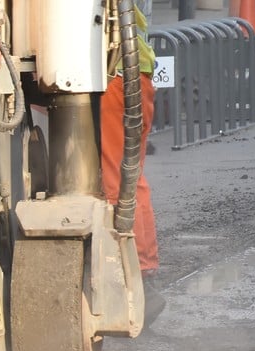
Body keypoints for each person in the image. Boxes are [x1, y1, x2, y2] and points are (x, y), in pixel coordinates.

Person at [99, 1, 165, 326]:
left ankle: (137, 277)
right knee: (128, 177)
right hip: (130, 75)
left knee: (118, 182)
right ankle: (144, 274)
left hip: (115, 76)